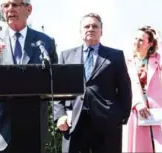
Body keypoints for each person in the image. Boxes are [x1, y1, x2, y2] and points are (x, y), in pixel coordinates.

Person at [0, 0, 58, 153]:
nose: (9, 9)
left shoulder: (45, 42)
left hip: (33, 129)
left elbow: (56, 81)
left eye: (14, 4)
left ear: (29, 9)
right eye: (5, 6)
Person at [53, 13, 132, 153]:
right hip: (74, 122)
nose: (90, 29)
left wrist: (120, 117)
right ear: (81, 31)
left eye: (95, 26)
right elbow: (58, 90)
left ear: (101, 31)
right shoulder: (66, 56)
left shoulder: (115, 56)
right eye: (87, 26)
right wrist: (60, 115)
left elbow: (125, 89)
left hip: (107, 123)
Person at [122, 26, 162, 153]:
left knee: (161, 145)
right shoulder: (127, 60)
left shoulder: (157, 58)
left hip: (158, 108)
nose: (136, 42)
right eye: (136, 39)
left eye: (141, 40)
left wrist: (159, 39)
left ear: (150, 44)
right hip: (136, 108)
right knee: (138, 146)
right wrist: (137, 103)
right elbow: (125, 85)